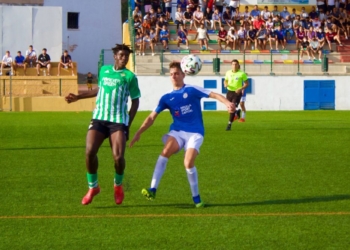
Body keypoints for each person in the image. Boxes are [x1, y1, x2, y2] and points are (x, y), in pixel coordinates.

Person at [129, 61, 234, 208]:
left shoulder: (191, 90)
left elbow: (214, 94)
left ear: (183, 74)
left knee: (188, 163)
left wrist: (227, 103)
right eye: (171, 74)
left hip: (195, 133)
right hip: (178, 131)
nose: (174, 76)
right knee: (164, 152)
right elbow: (152, 117)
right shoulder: (166, 98)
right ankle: (152, 189)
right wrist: (139, 132)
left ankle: (196, 197)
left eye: (177, 73)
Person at [65, 44, 141, 206]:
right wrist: (78, 97)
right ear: (115, 56)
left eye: (126, 57)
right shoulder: (105, 70)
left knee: (118, 157)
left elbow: (135, 102)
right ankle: (93, 188)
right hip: (99, 118)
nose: (124, 59)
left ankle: (118, 186)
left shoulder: (130, 77)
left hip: (118, 121)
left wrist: (128, 123)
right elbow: (100, 90)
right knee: (89, 151)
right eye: (121, 56)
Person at [224, 59, 249, 131]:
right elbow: (225, 80)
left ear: (238, 65)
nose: (234, 66)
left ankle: (229, 124)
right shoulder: (228, 72)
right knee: (229, 108)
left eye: (236, 64)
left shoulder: (242, 73)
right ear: (231, 65)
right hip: (229, 92)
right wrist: (225, 84)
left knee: (232, 108)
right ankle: (237, 111)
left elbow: (246, 84)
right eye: (233, 64)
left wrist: (241, 89)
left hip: (237, 93)